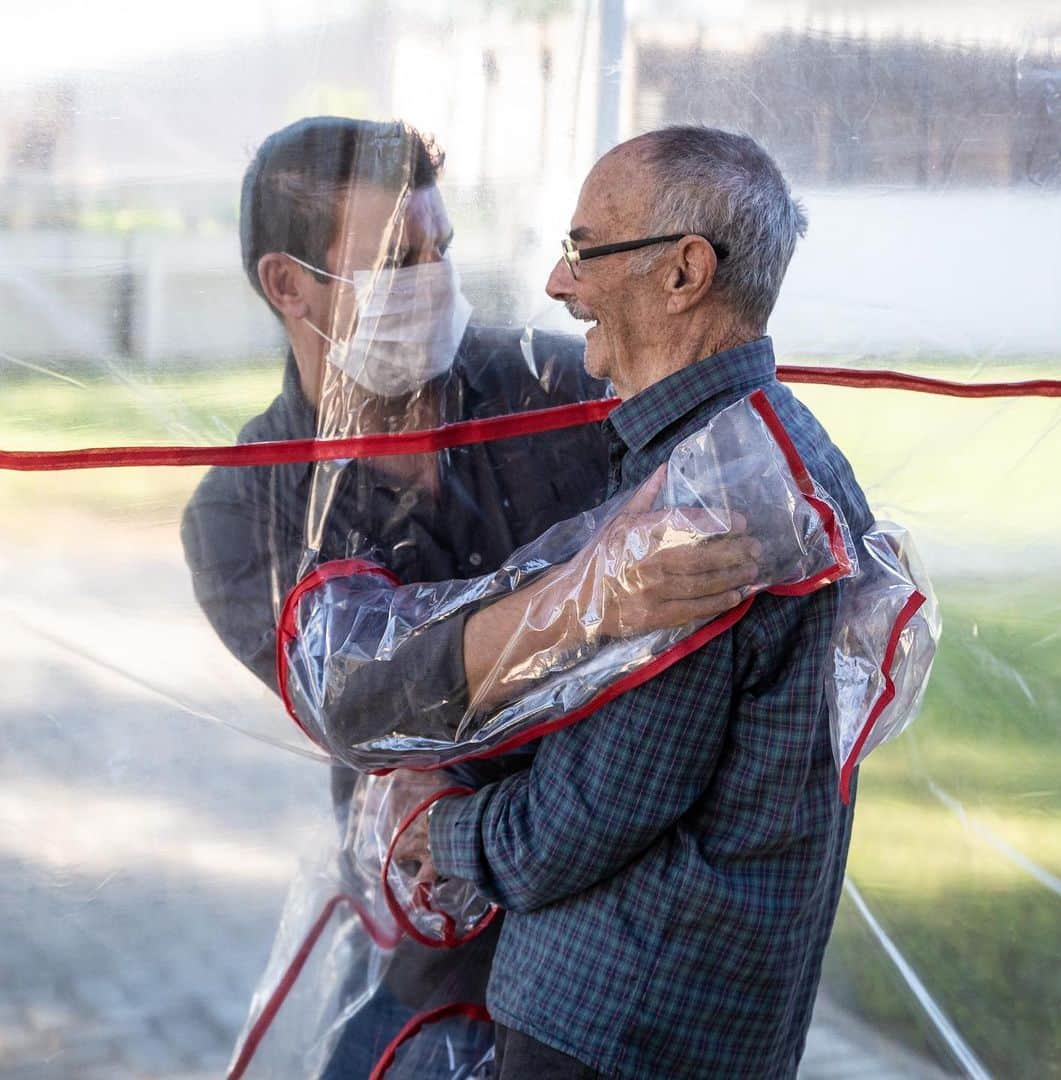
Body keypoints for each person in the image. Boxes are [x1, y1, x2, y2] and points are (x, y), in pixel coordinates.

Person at [180, 117, 760, 1076]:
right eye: (395, 260)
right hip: (432, 933)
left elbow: (716, 518)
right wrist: (591, 600)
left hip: (616, 928)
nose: (433, 279)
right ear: (288, 285)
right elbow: (366, 696)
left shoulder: (565, 391)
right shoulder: (244, 510)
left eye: (441, 246)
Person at [425, 126, 875, 1079]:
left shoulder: (711, 496)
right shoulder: (747, 447)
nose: (558, 283)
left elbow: (575, 823)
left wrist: (429, 823)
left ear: (683, 273)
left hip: (618, 1031)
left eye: (584, 250)